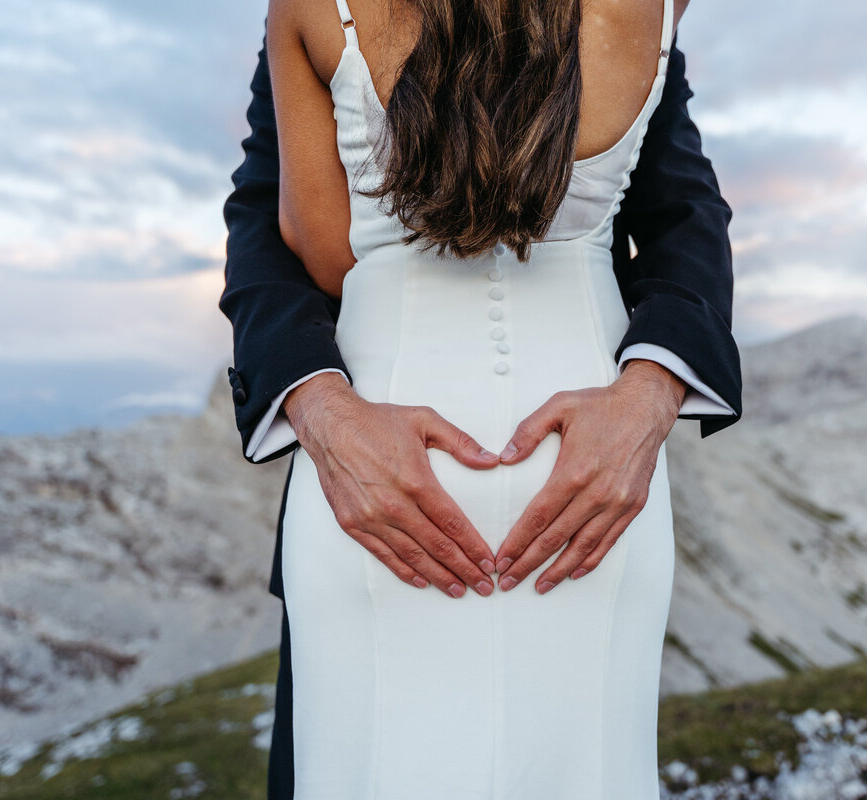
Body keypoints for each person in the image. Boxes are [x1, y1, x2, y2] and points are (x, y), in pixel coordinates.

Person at [219, 0, 742, 796]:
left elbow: (314, 245)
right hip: (444, 467)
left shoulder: (316, 13)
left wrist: (653, 391)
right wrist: (317, 406)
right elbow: (260, 221)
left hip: (462, 445)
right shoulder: (647, 13)